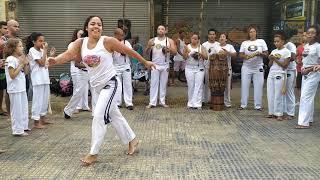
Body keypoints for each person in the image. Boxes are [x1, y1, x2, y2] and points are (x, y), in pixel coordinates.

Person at [48, 16, 155, 165]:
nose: (96, 26)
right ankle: (133, 140)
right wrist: (55, 60)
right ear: (87, 27)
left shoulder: (107, 41)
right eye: (92, 24)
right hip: (97, 88)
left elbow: (128, 51)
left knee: (98, 116)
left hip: (110, 85)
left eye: (99, 24)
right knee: (115, 116)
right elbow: (68, 54)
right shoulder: (81, 42)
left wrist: (145, 62)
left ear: (102, 28)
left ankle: (93, 153)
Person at [26, 32, 54, 129]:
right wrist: (45, 50)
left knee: (44, 99)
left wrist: (50, 55)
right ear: (34, 41)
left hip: (45, 78)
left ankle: (43, 118)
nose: (43, 43)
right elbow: (41, 63)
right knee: (38, 100)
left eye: (43, 40)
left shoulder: (42, 51)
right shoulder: (32, 50)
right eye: (40, 41)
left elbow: (46, 65)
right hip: (37, 79)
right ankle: (36, 121)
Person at [145, 25, 177, 108]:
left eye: (162, 29)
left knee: (163, 84)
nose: (160, 30)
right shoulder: (152, 40)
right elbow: (146, 52)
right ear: (157, 30)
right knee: (153, 84)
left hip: (165, 65)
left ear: (165, 31)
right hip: (154, 64)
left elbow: (175, 52)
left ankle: (162, 102)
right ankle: (152, 102)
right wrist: (149, 46)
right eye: (159, 29)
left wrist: (169, 49)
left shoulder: (169, 40)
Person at [64, 28, 92, 119]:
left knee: (93, 90)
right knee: (78, 90)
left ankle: (93, 110)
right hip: (80, 71)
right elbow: (76, 62)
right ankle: (69, 109)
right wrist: (88, 65)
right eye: (80, 35)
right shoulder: (74, 45)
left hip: (89, 71)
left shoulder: (88, 46)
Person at [238, 25, 268, 110]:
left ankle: (258, 106)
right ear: (248, 33)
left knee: (258, 86)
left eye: (254, 31)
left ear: (256, 33)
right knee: (244, 85)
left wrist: (260, 54)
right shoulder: (244, 43)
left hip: (258, 67)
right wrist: (245, 56)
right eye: (250, 32)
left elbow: (266, 54)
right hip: (246, 67)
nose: (252, 33)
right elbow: (240, 54)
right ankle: (243, 105)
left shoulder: (261, 41)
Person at [4, 38, 30, 136]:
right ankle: (17, 130)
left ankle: (23, 126)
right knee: (16, 110)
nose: (22, 48)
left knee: (23, 108)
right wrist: (21, 64)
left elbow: (26, 73)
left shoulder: (18, 59)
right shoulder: (10, 59)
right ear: (13, 48)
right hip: (14, 89)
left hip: (21, 87)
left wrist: (26, 64)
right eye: (20, 46)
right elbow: (12, 75)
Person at [296, 26, 320, 129]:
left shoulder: (318, 46)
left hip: (313, 74)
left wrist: (309, 69)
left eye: (313, 33)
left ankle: (303, 122)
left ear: (317, 35)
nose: (310, 35)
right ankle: (309, 119)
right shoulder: (306, 46)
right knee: (308, 97)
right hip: (305, 74)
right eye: (308, 33)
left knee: (305, 97)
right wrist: (300, 63)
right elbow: (306, 59)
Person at [267, 32, 291, 121]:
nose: (276, 43)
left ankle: (279, 113)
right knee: (270, 94)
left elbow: (285, 65)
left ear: (282, 41)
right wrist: (270, 59)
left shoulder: (286, 51)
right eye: (275, 42)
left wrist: (275, 59)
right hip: (271, 73)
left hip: (280, 73)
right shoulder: (274, 51)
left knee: (278, 94)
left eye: (278, 41)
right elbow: (270, 65)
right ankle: (271, 112)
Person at [0, 20, 20, 118]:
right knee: (8, 90)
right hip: (7, 68)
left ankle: (17, 112)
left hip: (19, 68)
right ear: (8, 27)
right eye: (15, 26)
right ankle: (10, 113)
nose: (17, 28)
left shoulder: (17, 39)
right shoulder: (3, 39)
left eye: (18, 26)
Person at [183, 33, 207, 109]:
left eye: (196, 39)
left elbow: (206, 57)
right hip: (189, 68)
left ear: (198, 40)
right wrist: (189, 53)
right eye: (193, 38)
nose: (194, 40)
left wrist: (201, 54)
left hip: (199, 68)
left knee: (199, 85)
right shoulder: (187, 47)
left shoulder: (201, 47)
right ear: (190, 39)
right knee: (191, 85)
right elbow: (184, 57)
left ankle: (198, 103)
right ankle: (190, 103)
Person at [113, 28, 134, 110]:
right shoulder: (112, 42)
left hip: (125, 66)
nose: (122, 36)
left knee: (128, 85)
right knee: (118, 85)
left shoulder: (126, 43)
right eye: (121, 35)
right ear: (115, 35)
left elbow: (131, 52)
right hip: (115, 66)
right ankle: (118, 103)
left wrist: (124, 52)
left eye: (123, 35)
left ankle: (129, 103)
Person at [216, 32, 237, 107]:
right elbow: (211, 56)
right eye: (220, 37)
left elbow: (235, 55)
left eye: (223, 37)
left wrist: (227, 52)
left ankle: (227, 102)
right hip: (217, 69)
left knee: (227, 85)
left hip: (227, 68)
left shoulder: (230, 46)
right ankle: (219, 100)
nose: (222, 38)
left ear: (226, 39)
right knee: (218, 85)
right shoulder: (216, 46)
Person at [202, 28, 220, 104]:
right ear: (208, 35)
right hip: (205, 67)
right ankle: (204, 100)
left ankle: (212, 99)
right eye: (210, 34)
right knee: (205, 84)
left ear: (215, 35)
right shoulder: (204, 45)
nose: (212, 36)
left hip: (215, 68)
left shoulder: (218, 44)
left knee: (213, 84)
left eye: (213, 34)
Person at [283, 33, 297, 119]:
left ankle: (291, 113)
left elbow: (293, 57)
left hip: (290, 70)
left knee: (289, 91)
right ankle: (285, 111)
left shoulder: (291, 45)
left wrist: (282, 58)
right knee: (283, 91)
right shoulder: (282, 45)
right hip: (283, 70)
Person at [0, 21, 8, 116]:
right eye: (4, 28)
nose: (6, 30)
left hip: (2, 67)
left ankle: (1, 108)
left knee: (2, 88)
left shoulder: (3, 38)